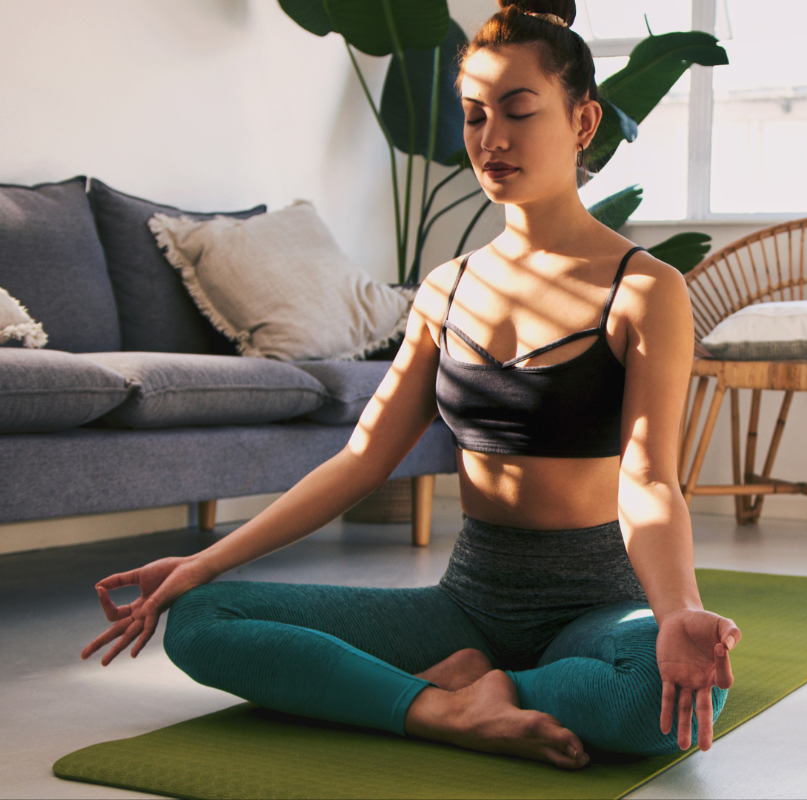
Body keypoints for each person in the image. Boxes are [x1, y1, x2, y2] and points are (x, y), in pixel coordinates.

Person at [80, 0, 740, 770]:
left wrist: (677, 612)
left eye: (519, 111)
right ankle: (446, 706)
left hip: (595, 604)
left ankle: (466, 689)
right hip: (468, 603)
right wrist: (203, 564)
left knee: (654, 704)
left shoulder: (642, 288)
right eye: (474, 115)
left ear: (584, 122)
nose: (491, 139)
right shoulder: (446, 289)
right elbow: (361, 461)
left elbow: (650, 478)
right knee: (198, 617)